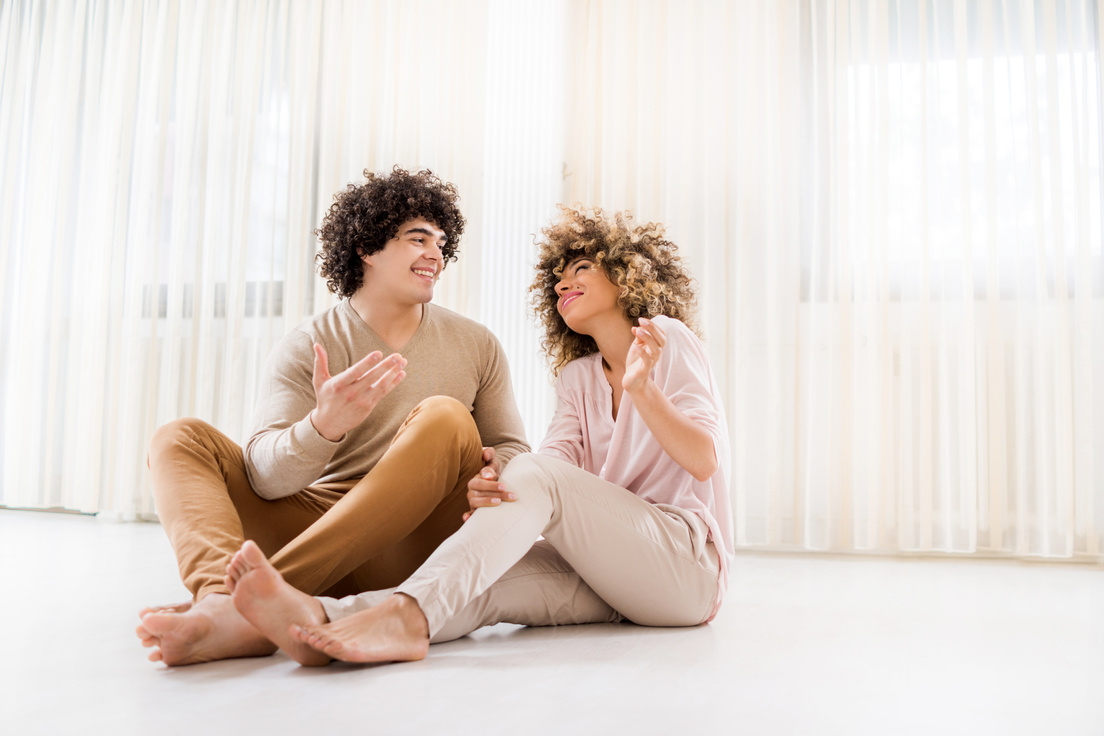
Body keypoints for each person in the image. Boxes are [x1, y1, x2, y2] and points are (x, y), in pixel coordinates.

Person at [223, 205, 733, 666]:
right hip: (611, 572)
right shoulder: (577, 379)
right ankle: (314, 623)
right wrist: (498, 484)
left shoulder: (669, 340)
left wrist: (643, 390)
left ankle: (400, 619)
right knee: (479, 584)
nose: (562, 285)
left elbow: (704, 459)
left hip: (684, 568)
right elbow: (554, 468)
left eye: (580, 269)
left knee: (530, 477)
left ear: (627, 277)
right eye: (557, 277)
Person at [136, 167, 529, 666]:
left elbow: (514, 447)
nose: (436, 254)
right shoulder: (308, 344)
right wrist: (322, 428)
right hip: (320, 524)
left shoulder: (476, 344)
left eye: (441, 242)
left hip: (416, 544)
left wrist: (494, 472)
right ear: (366, 248)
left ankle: (243, 610)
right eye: (417, 238)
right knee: (178, 437)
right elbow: (264, 477)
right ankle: (218, 599)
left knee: (447, 418)